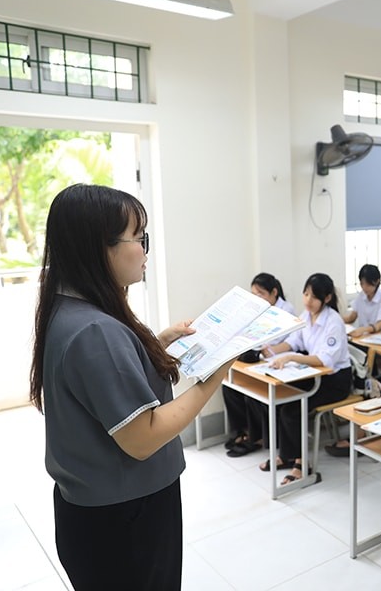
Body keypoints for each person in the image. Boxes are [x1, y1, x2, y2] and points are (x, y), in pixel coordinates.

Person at [30, 184, 235, 590]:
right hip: (125, 518)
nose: (145, 250)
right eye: (139, 238)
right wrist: (213, 376)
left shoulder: (69, 309)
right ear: (100, 248)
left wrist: (155, 344)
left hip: (96, 512)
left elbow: (101, 381)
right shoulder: (96, 330)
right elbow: (143, 437)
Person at [257, 273, 352, 485]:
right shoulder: (306, 316)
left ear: (327, 298)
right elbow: (293, 341)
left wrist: (291, 357)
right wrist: (268, 352)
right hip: (314, 375)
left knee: (293, 409)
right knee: (281, 401)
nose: (308, 300)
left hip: (335, 380)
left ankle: (302, 465)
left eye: (314, 296)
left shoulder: (333, 321)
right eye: (306, 294)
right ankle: (286, 456)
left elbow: (325, 361)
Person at [223, 272, 296, 457]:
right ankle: (244, 431)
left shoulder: (286, 310)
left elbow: (278, 339)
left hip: (276, 359)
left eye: (260, 294)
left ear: (274, 292)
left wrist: (262, 347)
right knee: (230, 387)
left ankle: (258, 437)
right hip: (259, 356)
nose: (256, 298)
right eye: (253, 294)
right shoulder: (259, 308)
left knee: (253, 393)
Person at [344, 264, 381, 338]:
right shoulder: (361, 295)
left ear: (377, 281)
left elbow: (380, 325)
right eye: (362, 284)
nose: (364, 287)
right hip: (364, 338)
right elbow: (351, 318)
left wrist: (364, 330)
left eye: (368, 284)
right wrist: (336, 318)